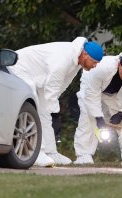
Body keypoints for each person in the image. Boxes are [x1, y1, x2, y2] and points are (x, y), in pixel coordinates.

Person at [8, 37, 104, 167]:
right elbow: (53, 86)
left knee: (45, 113)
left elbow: (62, 85)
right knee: (33, 107)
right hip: (18, 67)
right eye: (94, 62)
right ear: (85, 54)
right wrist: (54, 111)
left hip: (38, 77)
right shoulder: (65, 58)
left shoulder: (76, 61)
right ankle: (36, 152)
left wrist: (53, 108)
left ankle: (50, 152)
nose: (95, 66)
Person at [73, 53, 122, 169]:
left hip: (113, 94)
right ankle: (84, 155)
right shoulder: (102, 68)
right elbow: (92, 95)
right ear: (119, 64)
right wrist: (98, 117)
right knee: (88, 117)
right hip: (91, 87)